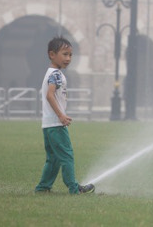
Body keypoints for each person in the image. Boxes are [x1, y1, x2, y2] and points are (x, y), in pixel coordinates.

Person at [34, 37, 95, 194]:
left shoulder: (51, 73)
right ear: (52, 55)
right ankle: (74, 189)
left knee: (53, 159)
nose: (68, 58)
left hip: (47, 125)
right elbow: (49, 95)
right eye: (64, 54)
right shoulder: (56, 74)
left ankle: (43, 188)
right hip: (56, 124)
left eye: (70, 55)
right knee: (67, 156)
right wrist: (61, 116)